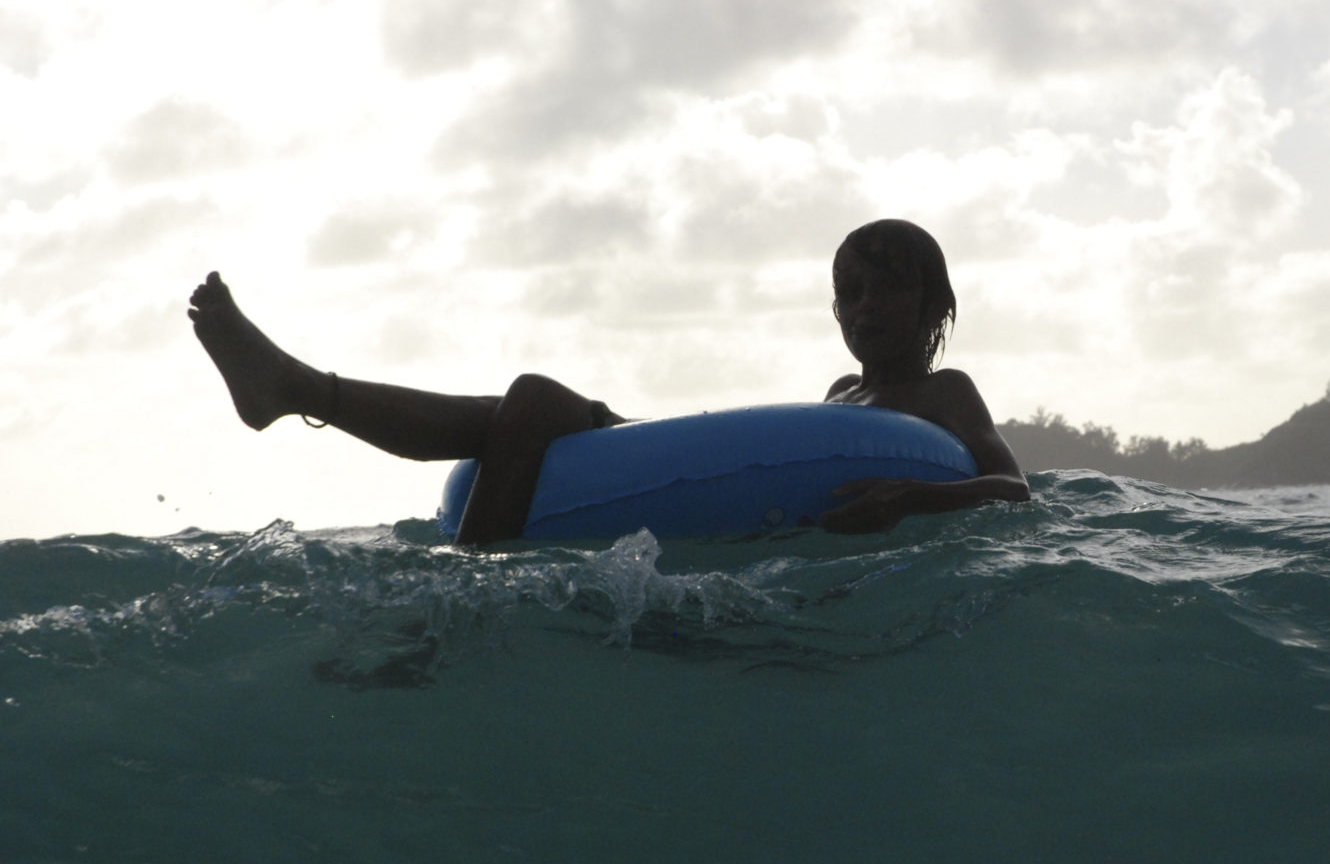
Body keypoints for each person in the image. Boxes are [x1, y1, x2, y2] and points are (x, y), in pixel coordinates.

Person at [188, 219, 1030, 544]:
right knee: (530, 403)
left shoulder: (944, 393)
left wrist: (913, 498)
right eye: (849, 290)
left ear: (935, 305)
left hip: (860, 504)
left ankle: (301, 393)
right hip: (685, 467)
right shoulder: (843, 395)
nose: (865, 305)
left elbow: (1012, 487)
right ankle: (296, 389)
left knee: (524, 406)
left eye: (889, 288)